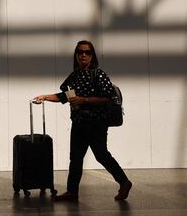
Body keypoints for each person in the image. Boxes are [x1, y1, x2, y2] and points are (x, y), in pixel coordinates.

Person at [33, 40, 132, 202]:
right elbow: (65, 96)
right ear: (76, 55)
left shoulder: (98, 74)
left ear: (92, 56)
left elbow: (108, 98)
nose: (83, 55)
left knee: (101, 155)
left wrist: (84, 100)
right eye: (80, 52)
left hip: (96, 123)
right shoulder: (74, 76)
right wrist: (45, 97)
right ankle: (72, 191)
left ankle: (124, 182)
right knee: (76, 157)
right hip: (79, 123)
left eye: (87, 52)